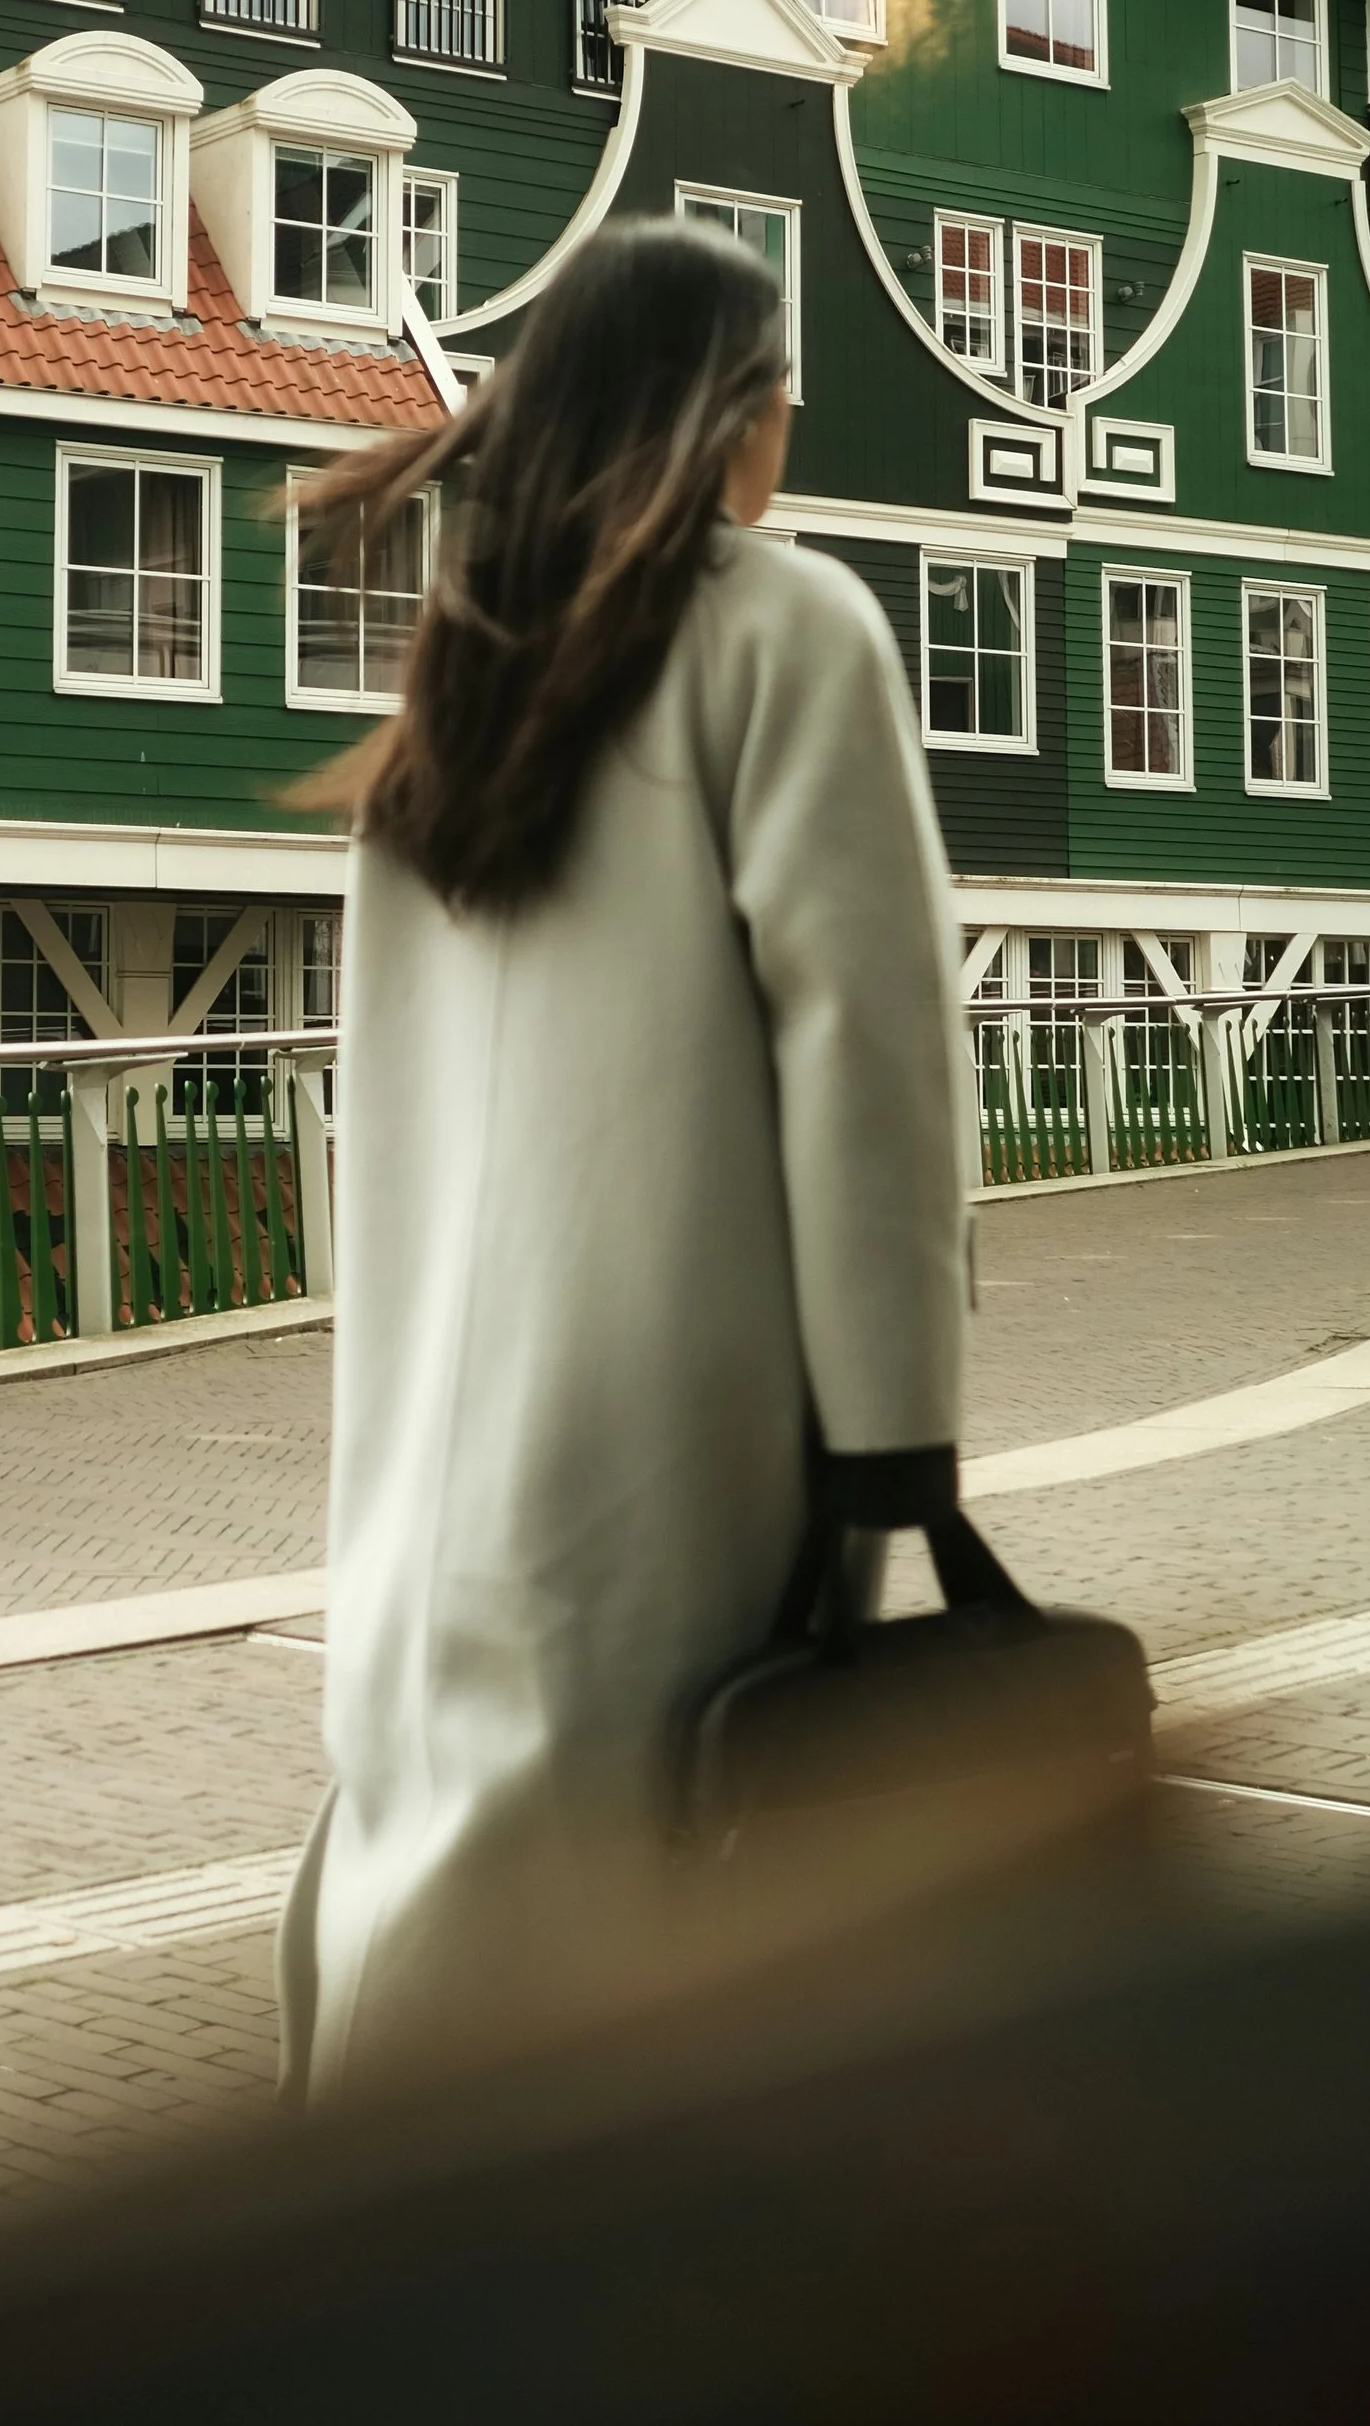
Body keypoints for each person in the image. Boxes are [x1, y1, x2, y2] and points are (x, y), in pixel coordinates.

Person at [275, 215, 974, 2107]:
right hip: (685, 1418)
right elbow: (872, 1059)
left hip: (441, 1446)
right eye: (781, 389)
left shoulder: (455, 684)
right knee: (667, 1895)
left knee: (440, 1853)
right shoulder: (785, 624)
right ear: (728, 411)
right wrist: (897, 1443)